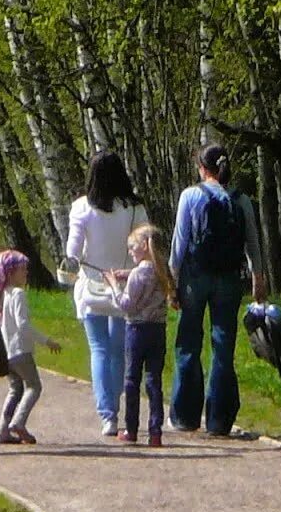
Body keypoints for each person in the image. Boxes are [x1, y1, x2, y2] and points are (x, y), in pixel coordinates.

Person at [169, 144, 266, 436]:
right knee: (223, 347)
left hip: (194, 278)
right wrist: (257, 277)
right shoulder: (242, 200)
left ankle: (185, 416)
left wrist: (170, 282)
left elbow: (179, 243)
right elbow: (252, 242)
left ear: (202, 167)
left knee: (188, 342)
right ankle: (219, 421)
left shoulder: (191, 196)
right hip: (228, 279)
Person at [61, 151, 148, 436]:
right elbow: (145, 244)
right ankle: (115, 405)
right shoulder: (135, 208)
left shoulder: (82, 207)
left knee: (98, 349)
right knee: (117, 351)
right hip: (124, 285)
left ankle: (107, 413)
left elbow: (72, 251)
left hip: (93, 285)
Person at [109, 224, 175, 446]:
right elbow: (146, 278)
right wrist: (126, 275)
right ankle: (155, 431)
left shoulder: (139, 273)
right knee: (153, 380)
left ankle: (131, 428)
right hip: (158, 330)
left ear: (144, 246)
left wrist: (113, 287)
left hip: (137, 330)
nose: (130, 252)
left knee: (131, 380)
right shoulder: (161, 270)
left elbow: (127, 304)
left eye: (132, 247)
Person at [0, 249, 60, 445]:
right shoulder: (18, 294)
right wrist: (47, 341)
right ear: (10, 273)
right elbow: (23, 325)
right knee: (34, 386)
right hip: (20, 350)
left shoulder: (2, 295)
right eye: (23, 270)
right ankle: (18, 422)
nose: (26, 273)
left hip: (6, 353)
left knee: (14, 389)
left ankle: (3, 431)